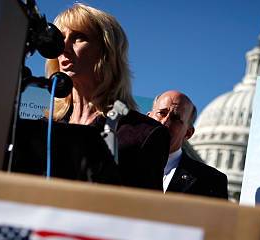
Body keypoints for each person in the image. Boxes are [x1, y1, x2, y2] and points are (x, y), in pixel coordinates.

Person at [45, 3, 170, 190]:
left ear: (107, 52)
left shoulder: (144, 134)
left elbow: (143, 213)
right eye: (61, 38)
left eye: (79, 37)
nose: (65, 48)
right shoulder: (45, 125)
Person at [147, 90, 228, 198]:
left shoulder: (211, 180)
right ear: (148, 118)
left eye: (176, 118)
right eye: (161, 113)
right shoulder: (123, 160)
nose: (165, 122)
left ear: (188, 133)